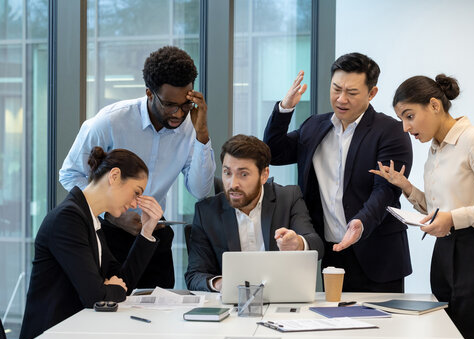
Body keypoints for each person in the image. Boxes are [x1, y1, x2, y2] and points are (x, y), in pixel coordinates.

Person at [370, 74, 474, 339]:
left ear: (435, 105)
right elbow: (439, 211)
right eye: (402, 119)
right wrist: (407, 188)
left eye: (410, 116)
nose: (406, 127)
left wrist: (452, 218)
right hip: (446, 256)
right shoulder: (435, 151)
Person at [59, 46, 216, 288]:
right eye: (170, 105)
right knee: (108, 308)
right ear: (150, 94)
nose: (178, 114)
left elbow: (200, 190)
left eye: (185, 105)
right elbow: (70, 175)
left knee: (160, 312)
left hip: (154, 233)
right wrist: (112, 213)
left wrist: (202, 135)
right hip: (108, 231)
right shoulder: (110, 121)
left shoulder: (190, 129)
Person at [263, 53, 413, 292]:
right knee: (333, 323)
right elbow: (274, 152)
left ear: (372, 93)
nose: (341, 99)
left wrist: (360, 224)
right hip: (331, 253)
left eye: (352, 93)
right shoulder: (314, 126)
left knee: (381, 327)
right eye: (336, 89)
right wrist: (285, 109)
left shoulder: (391, 131)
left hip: (377, 253)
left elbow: (385, 189)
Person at [19, 147, 163, 339]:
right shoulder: (69, 218)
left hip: (73, 337)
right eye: (135, 193)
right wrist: (108, 289)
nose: (134, 204)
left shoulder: (91, 219)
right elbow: (95, 296)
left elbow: (123, 282)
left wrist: (147, 232)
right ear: (114, 176)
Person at [185, 135, 324, 292]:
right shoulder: (207, 212)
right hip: (233, 305)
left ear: (264, 175)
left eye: (243, 174)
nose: (233, 184)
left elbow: (317, 245)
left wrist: (298, 243)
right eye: (227, 173)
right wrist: (222, 283)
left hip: (282, 299)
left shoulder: (287, 197)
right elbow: (194, 276)